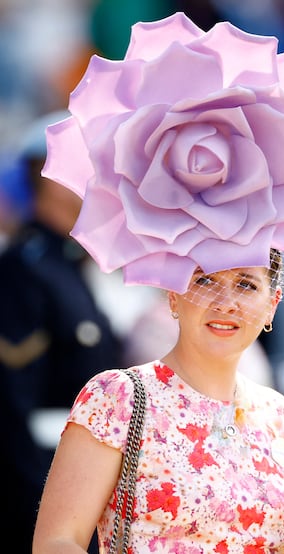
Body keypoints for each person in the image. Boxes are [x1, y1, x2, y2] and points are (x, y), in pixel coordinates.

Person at [32, 12, 284, 553]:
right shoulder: (118, 398)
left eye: (246, 285)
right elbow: (56, 541)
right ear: (172, 292)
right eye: (206, 281)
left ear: (272, 305)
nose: (225, 303)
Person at [0, 111, 122, 553]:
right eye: (84, 166)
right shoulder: (20, 271)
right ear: (49, 177)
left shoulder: (69, 267)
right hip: (46, 498)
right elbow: (12, 410)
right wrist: (41, 520)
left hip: (85, 492)